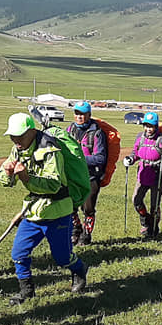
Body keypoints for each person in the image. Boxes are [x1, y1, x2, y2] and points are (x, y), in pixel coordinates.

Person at [0, 112, 89, 304]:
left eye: (20, 136)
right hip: (33, 213)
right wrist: (7, 173)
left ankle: (79, 269)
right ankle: (27, 292)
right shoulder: (18, 149)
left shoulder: (50, 150)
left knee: (63, 257)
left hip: (57, 212)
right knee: (18, 254)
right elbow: (6, 181)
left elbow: (54, 185)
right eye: (12, 136)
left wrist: (26, 178)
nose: (16, 140)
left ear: (32, 132)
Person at [123, 112, 162, 239]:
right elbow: (135, 153)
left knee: (154, 205)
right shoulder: (140, 137)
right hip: (143, 174)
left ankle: (153, 228)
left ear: (156, 126)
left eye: (151, 126)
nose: (148, 129)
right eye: (146, 126)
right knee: (136, 200)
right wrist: (130, 159)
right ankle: (146, 221)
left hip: (158, 175)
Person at [65, 101, 108, 245]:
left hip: (91, 176)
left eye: (82, 114)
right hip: (72, 176)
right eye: (77, 113)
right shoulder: (69, 130)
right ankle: (76, 230)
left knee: (88, 208)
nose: (79, 116)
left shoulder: (97, 133)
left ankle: (86, 235)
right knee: (70, 206)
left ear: (89, 115)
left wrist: (80, 159)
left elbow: (100, 158)